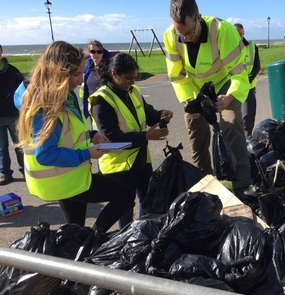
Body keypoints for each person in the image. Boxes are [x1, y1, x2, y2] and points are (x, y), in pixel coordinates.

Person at [17, 41, 135, 233]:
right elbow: (45, 154)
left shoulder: (63, 95)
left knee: (74, 230)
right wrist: (86, 154)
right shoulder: (46, 106)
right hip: (65, 179)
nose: (81, 80)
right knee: (125, 195)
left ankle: (79, 249)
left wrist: (90, 135)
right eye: (77, 74)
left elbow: (64, 135)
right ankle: (92, 238)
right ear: (59, 73)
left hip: (69, 174)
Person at [164, 0, 252, 201]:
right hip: (195, 89)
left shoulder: (223, 31)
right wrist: (188, 101)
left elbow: (239, 73)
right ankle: (204, 185)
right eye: (181, 34)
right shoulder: (171, 35)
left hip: (226, 83)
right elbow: (177, 76)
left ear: (198, 18)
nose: (185, 38)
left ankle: (242, 186)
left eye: (189, 33)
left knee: (231, 125)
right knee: (195, 129)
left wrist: (229, 97)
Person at [89, 53, 173, 229]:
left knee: (147, 200)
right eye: (128, 78)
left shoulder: (133, 91)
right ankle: (125, 239)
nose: (132, 82)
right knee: (124, 206)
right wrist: (145, 136)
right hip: (117, 164)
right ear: (114, 74)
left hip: (140, 158)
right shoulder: (101, 100)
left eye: (134, 78)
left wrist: (160, 114)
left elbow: (147, 112)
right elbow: (111, 139)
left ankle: (142, 235)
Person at [0, 44, 25, 185]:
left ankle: (25, 171)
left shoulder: (13, 71)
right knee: (1, 147)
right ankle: (5, 173)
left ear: (1, 52)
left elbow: (23, 93)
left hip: (14, 115)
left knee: (20, 146)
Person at [233, 23, 261, 137]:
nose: (240, 36)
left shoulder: (251, 47)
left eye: (241, 33)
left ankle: (247, 143)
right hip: (232, 89)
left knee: (248, 119)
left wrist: (246, 81)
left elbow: (256, 66)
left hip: (248, 88)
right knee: (233, 119)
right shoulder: (226, 48)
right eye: (237, 34)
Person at [81, 40, 113, 119]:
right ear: (89, 53)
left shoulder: (109, 70)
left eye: (99, 51)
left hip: (107, 110)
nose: (96, 54)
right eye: (93, 51)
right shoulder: (88, 70)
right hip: (92, 109)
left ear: (103, 53)